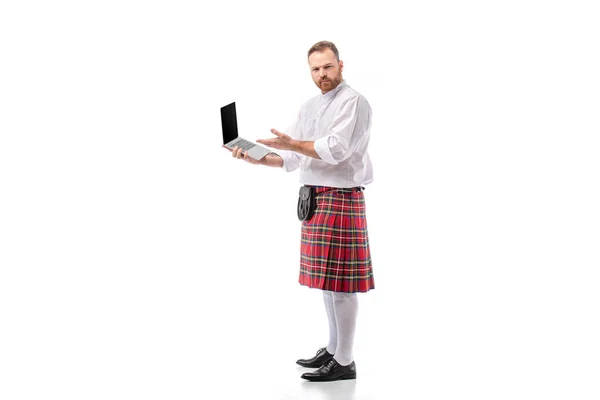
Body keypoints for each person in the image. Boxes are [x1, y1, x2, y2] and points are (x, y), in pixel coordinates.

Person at [228, 40, 374, 382]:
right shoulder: (310, 106)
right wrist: (256, 157)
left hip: (340, 198)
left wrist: (293, 144)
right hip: (314, 198)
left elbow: (335, 150)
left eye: (327, 67)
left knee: (342, 285)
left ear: (340, 64)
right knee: (328, 283)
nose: (321, 74)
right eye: (315, 69)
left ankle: (346, 361)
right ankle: (335, 348)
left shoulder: (354, 102)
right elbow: (292, 158)